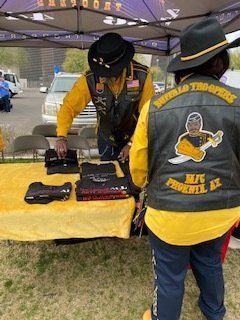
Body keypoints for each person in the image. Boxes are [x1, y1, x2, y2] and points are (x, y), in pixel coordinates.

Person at [129, 18, 240, 320]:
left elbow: (138, 167)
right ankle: (214, 311)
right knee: (210, 261)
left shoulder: (154, 106)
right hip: (220, 210)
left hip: (169, 213)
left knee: (169, 274)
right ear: (220, 62)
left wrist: (141, 186)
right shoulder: (238, 103)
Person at [55, 32, 155, 163]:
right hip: (106, 138)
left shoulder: (142, 76)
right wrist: (61, 136)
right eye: (102, 72)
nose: (105, 76)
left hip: (135, 136)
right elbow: (68, 107)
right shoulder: (90, 78)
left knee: (134, 178)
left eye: (110, 72)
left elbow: (149, 115)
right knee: (108, 177)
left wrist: (132, 143)